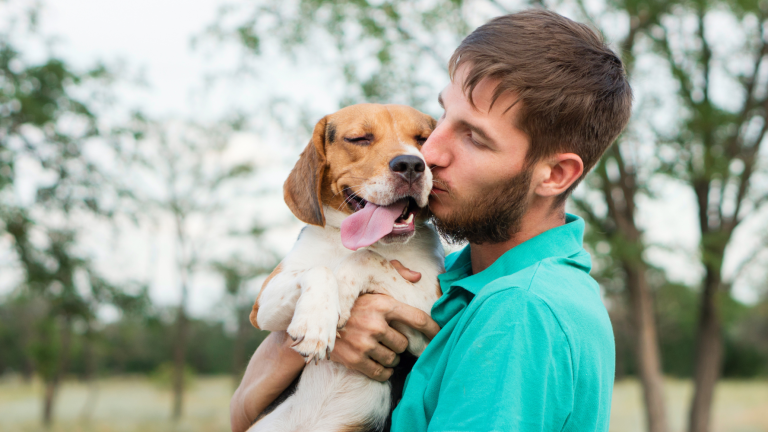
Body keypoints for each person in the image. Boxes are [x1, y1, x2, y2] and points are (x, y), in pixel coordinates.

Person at [231, 9, 631, 432]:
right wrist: (332, 328)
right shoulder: (463, 276)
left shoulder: (520, 311)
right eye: (441, 118)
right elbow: (243, 413)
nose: (429, 154)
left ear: (555, 175)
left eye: (473, 137)